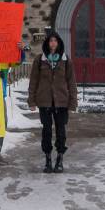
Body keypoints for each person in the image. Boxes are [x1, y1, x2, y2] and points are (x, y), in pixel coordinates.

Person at [28, 31, 77, 174]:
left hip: (61, 102)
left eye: (55, 41)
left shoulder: (66, 60)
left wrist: (72, 102)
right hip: (45, 101)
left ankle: (60, 158)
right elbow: (34, 81)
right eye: (50, 41)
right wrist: (31, 100)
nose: (53, 43)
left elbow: (71, 82)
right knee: (47, 131)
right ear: (47, 43)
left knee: (61, 131)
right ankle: (48, 159)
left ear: (59, 43)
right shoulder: (40, 60)